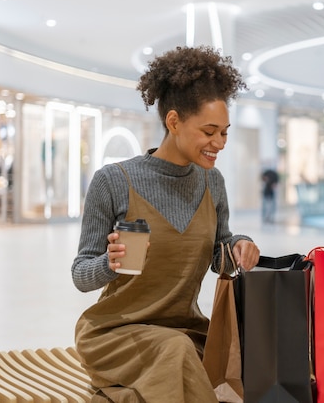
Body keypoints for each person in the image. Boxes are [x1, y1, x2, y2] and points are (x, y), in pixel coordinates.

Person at [71, 46, 261, 402]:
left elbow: (219, 255)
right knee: (176, 355)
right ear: (173, 122)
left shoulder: (212, 182)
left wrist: (239, 246)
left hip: (185, 330)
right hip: (115, 333)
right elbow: (81, 274)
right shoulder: (113, 180)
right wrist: (109, 263)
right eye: (209, 131)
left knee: (206, 355)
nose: (218, 143)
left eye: (224, 132)